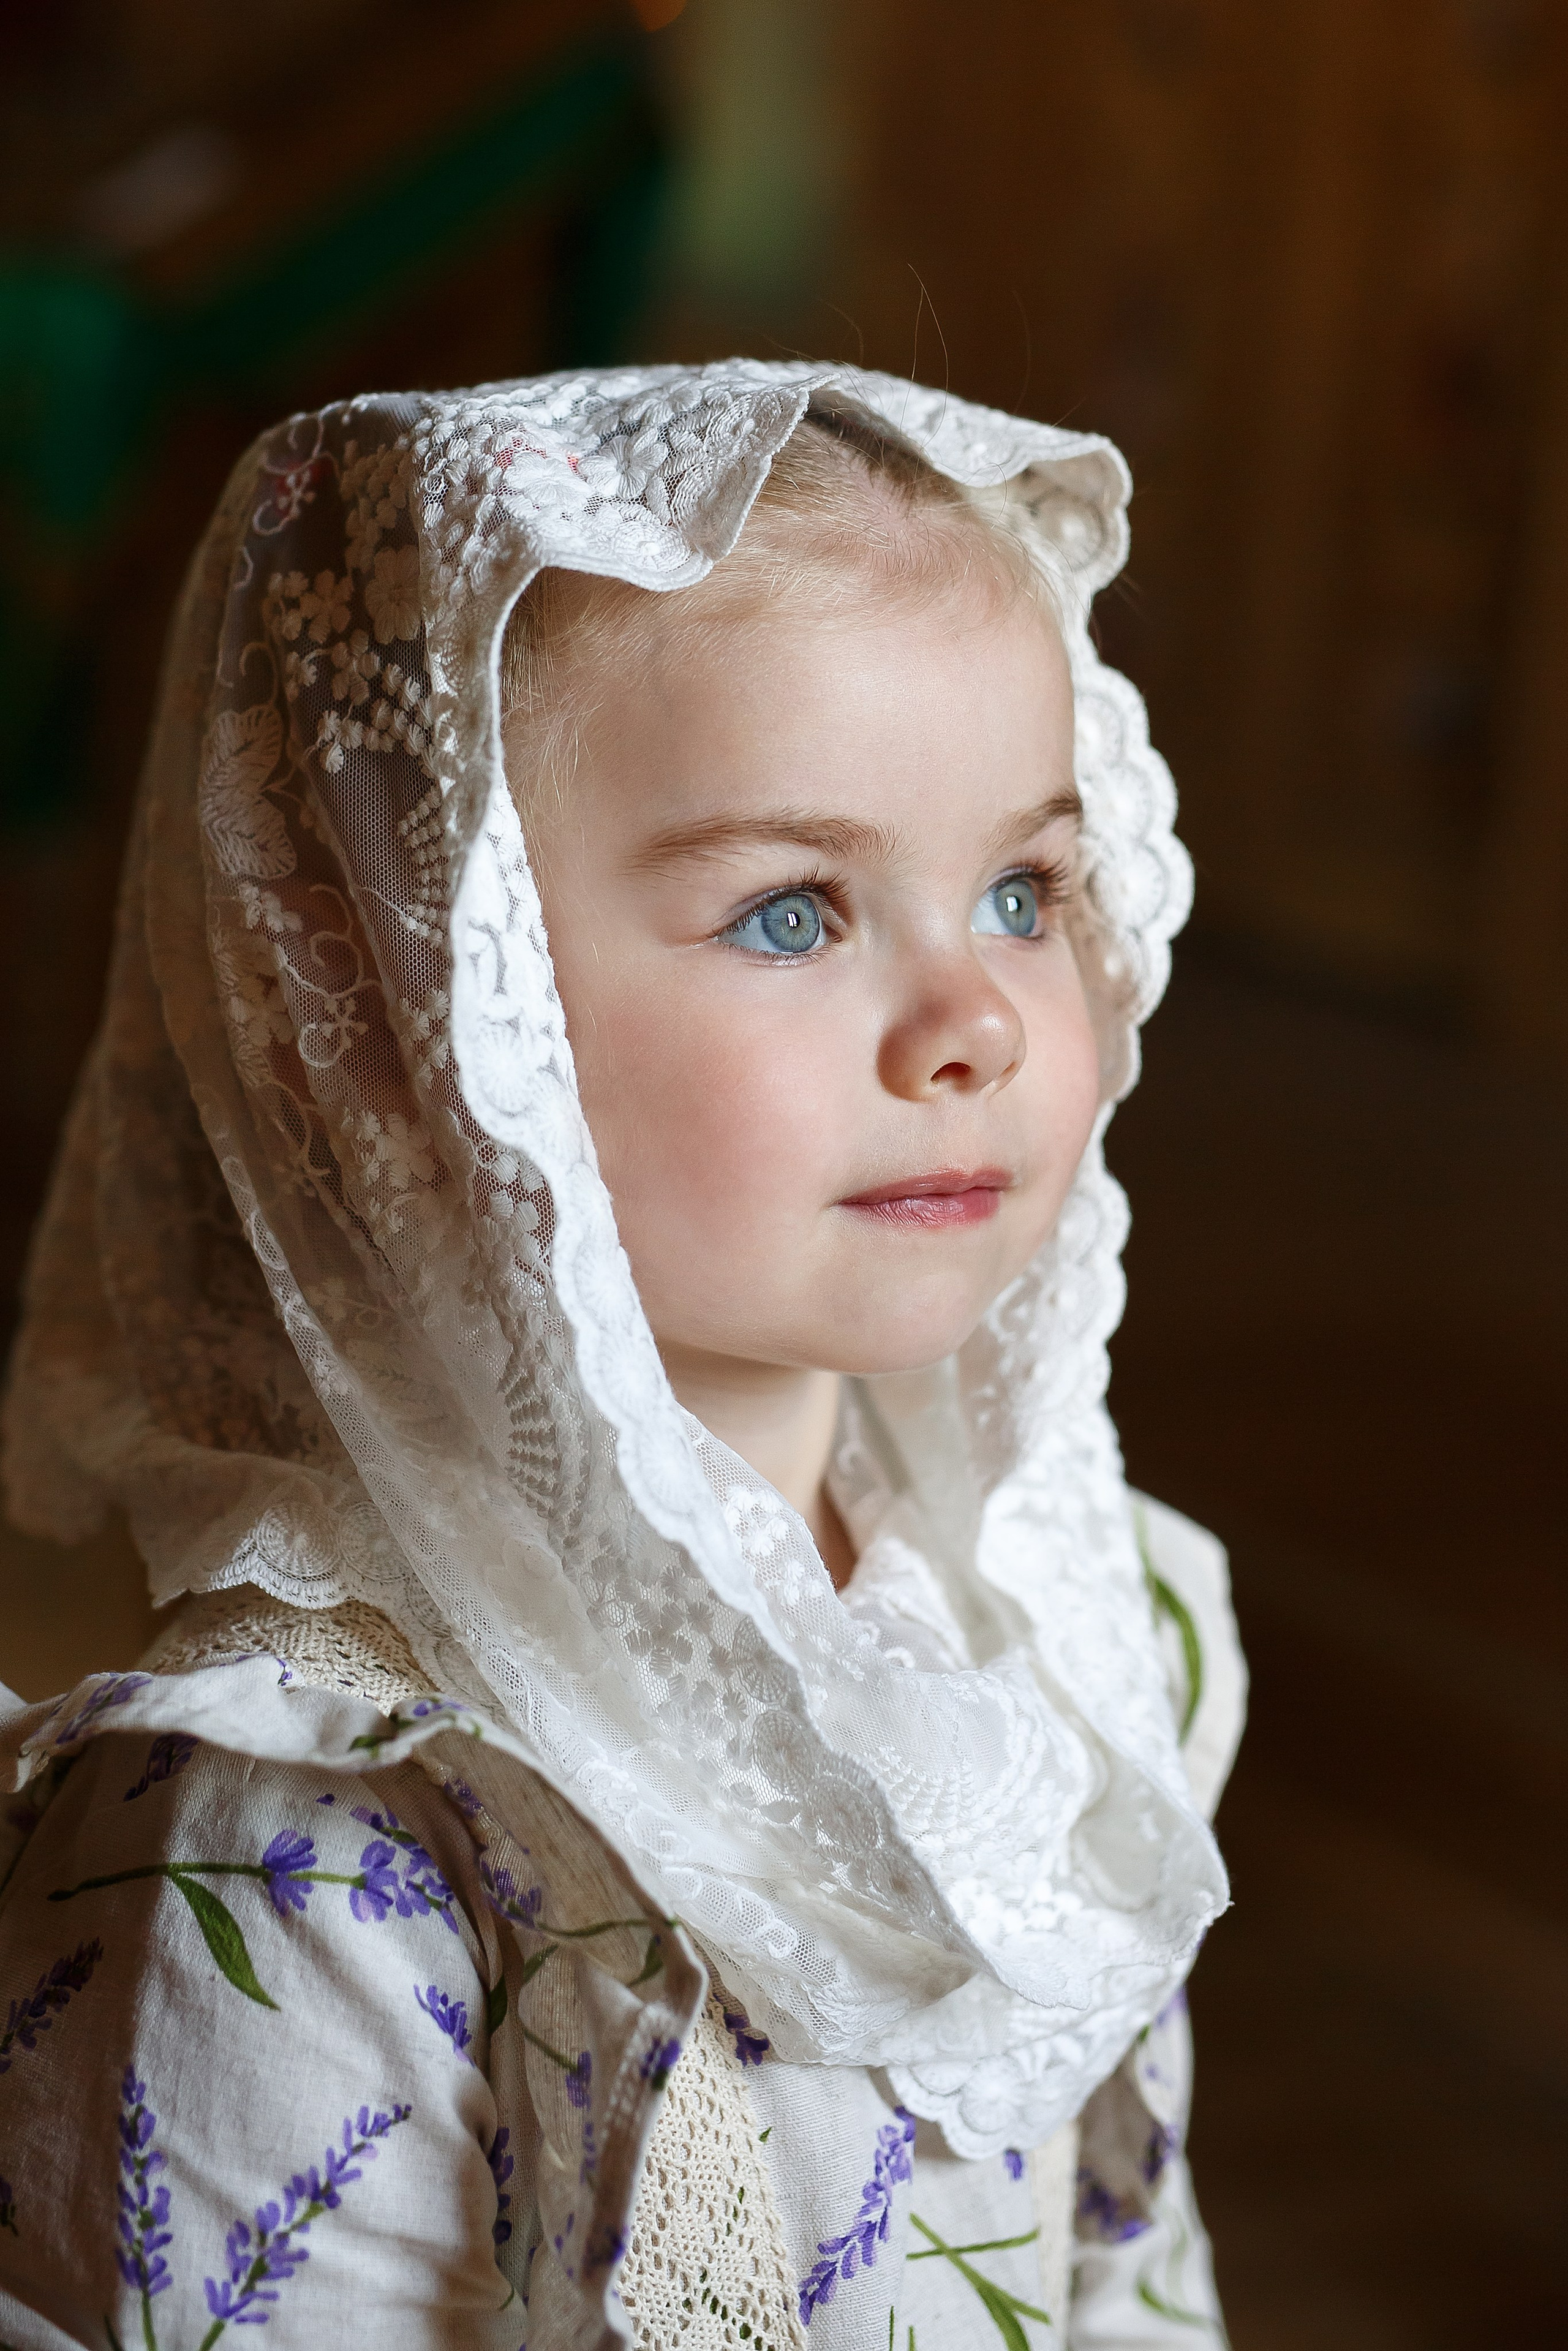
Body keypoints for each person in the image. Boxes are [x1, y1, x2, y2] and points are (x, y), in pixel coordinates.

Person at [0, 363, 1245, 2350]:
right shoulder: (299, 1830)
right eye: (791, 914)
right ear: (405, 1009)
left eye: (1024, 890)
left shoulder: (1090, 1651)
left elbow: (1133, 2281)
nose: (975, 1024)